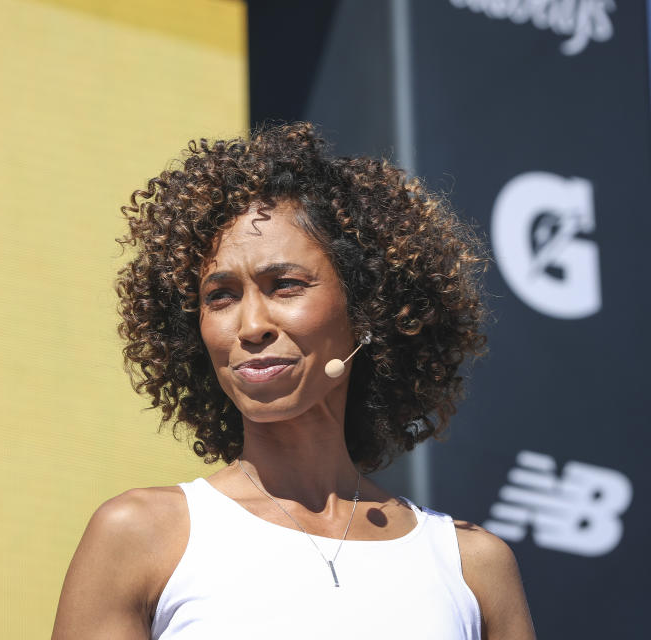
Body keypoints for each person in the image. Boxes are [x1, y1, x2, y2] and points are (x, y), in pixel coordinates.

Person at [51, 122, 536, 639]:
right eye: (220, 296)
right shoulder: (142, 534)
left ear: (368, 307)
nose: (251, 325)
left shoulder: (473, 566)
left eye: (284, 285)